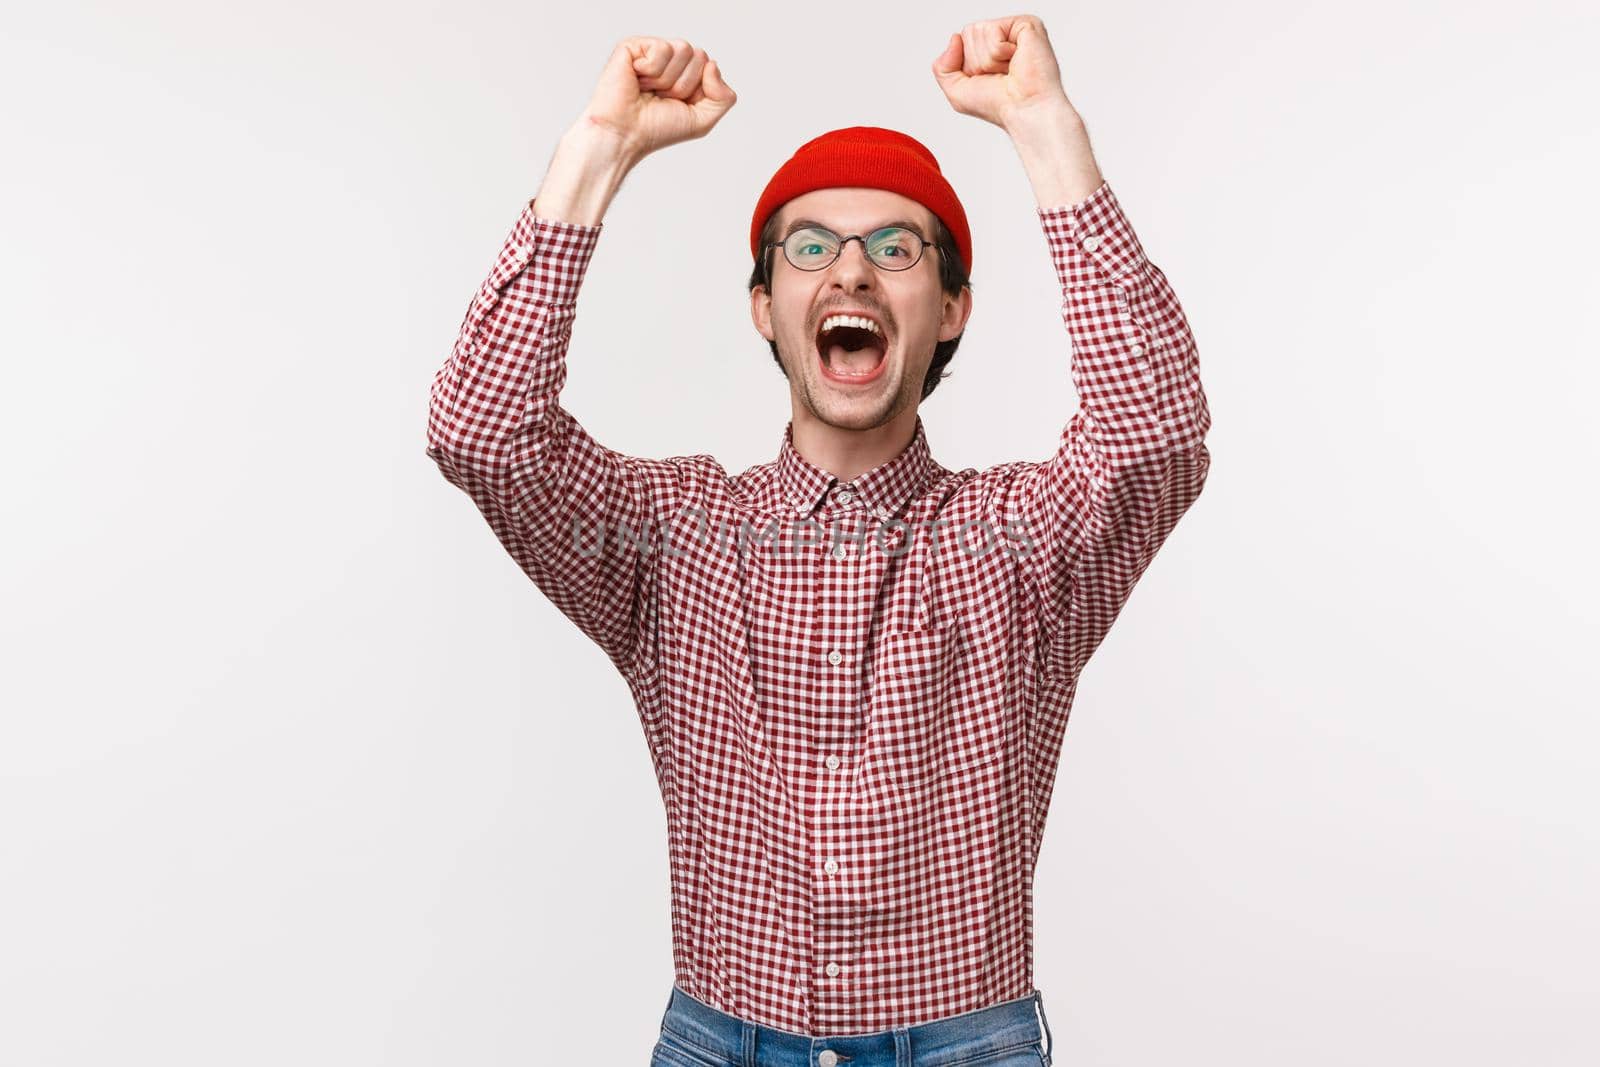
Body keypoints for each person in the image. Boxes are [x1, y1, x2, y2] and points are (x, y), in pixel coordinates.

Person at [425, 14, 1211, 1066]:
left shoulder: (1023, 544)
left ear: (948, 310)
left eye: (896, 248)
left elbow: (1152, 433)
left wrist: (1043, 126)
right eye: (810, 247)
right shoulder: (675, 536)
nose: (851, 273)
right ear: (765, 306)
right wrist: (597, 150)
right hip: (721, 1038)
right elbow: (481, 427)